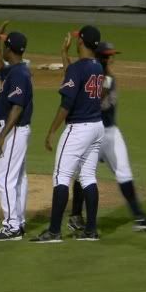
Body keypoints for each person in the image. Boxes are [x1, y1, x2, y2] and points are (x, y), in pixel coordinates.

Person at [65, 42, 146, 232]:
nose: (112, 58)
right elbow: (93, 99)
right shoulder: (98, 76)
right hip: (93, 131)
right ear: (101, 57)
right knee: (84, 175)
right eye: (109, 55)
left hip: (110, 131)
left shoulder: (105, 75)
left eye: (112, 55)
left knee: (124, 172)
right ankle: (75, 216)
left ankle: (139, 218)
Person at [30, 26, 105, 243]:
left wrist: (52, 130)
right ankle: (90, 230)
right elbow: (74, 76)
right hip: (96, 126)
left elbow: (67, 102)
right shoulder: (97, 66)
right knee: (88, 176)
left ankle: (54, 231)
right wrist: (64, 56)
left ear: (80, 42)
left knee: (61, 176)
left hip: (78, 129)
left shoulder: (78, 69)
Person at [0, 25, 33, 242]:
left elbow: (17, 107)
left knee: (4, 178)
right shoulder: (15, 69)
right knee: (18, 178)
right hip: (16, 131)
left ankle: (11, 226)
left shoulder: (20, 74)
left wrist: (2, 136)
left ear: (11, 49)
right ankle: (19, 221)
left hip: (13, 131)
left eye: (5, 47)